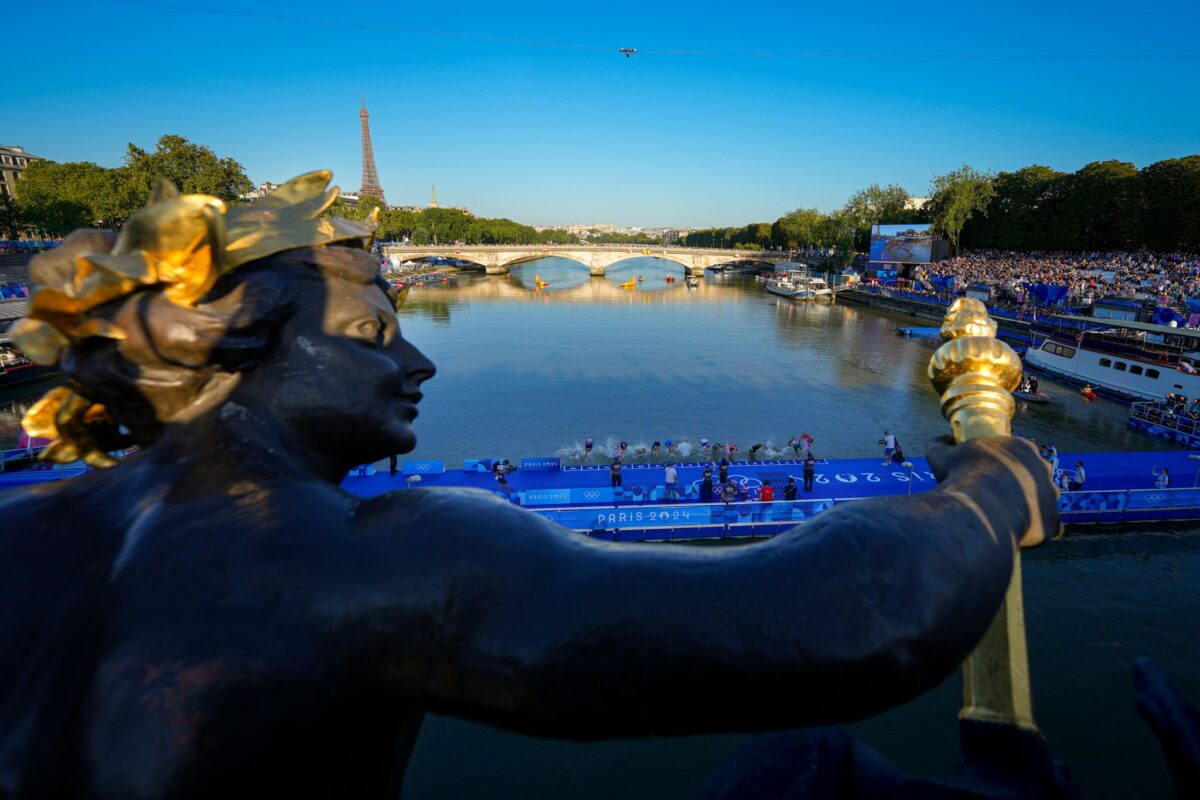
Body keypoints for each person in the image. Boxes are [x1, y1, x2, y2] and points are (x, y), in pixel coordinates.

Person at [0, 177, 1060, 796]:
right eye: (375, 328)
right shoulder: (370, 550)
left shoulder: (25, 523)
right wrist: (990, 489)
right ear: (244, 343)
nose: (417, 363)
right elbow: (852, 626)